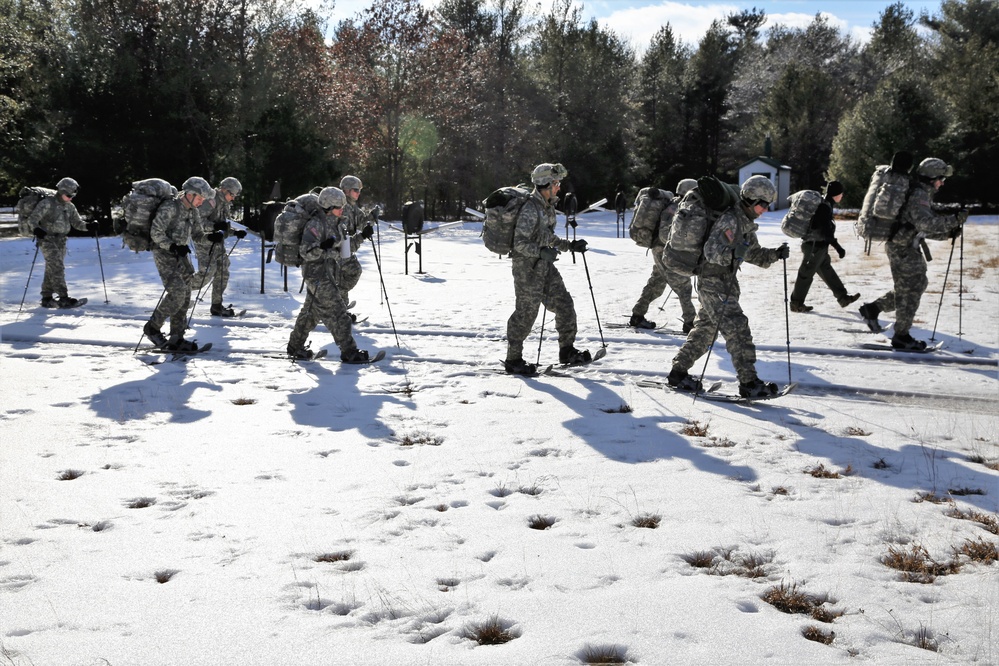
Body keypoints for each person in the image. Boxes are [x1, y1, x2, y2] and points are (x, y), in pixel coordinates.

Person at [666, 175, 790, 398]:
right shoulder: (730, 220)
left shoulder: (745, 222)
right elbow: (712, 252)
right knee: (738, 329)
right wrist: (734, 254)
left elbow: (754, 254)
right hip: (712, 283)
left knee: (705, 331)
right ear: (751, 200)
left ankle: (678, 372)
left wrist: (775, 254)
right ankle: (749, 382)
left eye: (767, 205)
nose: (765, 209)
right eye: (762, 204)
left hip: (724, 283)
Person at [859, 158, 966, 350]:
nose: (942, 183)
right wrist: (954, 220)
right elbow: (926, 224)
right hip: (902, 249)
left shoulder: (920, 192)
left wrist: (948, 232)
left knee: (913, 285)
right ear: (932, 177)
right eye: (941, 179)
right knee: (910, 290)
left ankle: (873, 309)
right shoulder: (918, 195)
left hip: (905, 246)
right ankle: (901, 336)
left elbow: (917, 225)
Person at [504, 163, 590, 375]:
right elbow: (519, 244)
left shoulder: (546, 206)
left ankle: (567, 351)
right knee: (526, 313)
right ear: (545, 184)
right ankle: (513, 359)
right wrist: (541, 253)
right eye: (556, 183)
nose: (558, 187)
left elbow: (546, 236)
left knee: (564, 305)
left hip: (545, 265)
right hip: (527, 268)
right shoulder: (530, 209)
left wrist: (569, 246)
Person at [286, 187, 371, 363]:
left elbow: (345, 251)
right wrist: (322, 248)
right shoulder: (315, 225)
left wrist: (362, 236)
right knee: (339, 312)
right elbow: (306, 252)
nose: (342, 210)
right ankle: (349, 351)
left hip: (329, 272)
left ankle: (295, 346)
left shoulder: (340, 223)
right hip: (315, 274)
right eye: (338, 207)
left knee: (311, 313)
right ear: (328, 207)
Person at [143, 177, 216, 351]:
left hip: (181, 256)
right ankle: (152, 327)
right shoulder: (170, 207)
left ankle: (177, 336)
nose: (201, 202)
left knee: (186, 295)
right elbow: (156, 232)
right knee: (178, 293)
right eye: (199, 198)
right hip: (164, 255)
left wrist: (212, 237)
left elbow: (198, 236)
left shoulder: (193, 211)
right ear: (190, 194)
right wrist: (172, 246)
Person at [631, 178, 698, 332]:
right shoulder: (676, 208)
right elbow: (664, 234)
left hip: (661, 250)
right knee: (683, 285)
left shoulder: (676, 204)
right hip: (665, 252)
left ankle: (637, 315)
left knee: (656, 284)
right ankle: (690, 322)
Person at [788, 181, 860, 313]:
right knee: (805, 274)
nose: (842, 196)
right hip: (814, 246)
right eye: (841, 193)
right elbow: (826, 231)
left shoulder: (826, 204)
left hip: (818, 246)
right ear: (836, 194)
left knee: (826, 270)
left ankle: (843, 298)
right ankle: (796, 304)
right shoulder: (824, 207)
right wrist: (838, 247)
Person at [27, 177, 95, 308]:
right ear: (61, 191)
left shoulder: (69, 206)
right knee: (57, 267)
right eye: (68, 195)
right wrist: (37, 229)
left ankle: (46, 297)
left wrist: (89, 226)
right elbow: (32, 219)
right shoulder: (47, 203)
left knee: (51, 268)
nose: (70, 198)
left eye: (72, 196)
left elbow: (77, 223)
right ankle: (64, 298)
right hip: (47, 240)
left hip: (61, 241)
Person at [193, 177, 247, 317]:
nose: (233, 198)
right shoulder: (210, 201)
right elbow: (197, 222)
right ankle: (179, 292)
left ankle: (216, 305)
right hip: (205, 243)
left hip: (217, 243)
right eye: (232, 195)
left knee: (223, 270)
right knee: (206, 274)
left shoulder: (224, 204)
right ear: (224, 190)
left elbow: (223, 225)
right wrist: (214, 227)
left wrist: (235, 232)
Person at [337, 175, 375, 318]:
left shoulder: (352, 207)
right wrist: (362, 236)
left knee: (348, 274)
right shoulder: (341, 208)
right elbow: (343, 239)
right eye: (355, 190)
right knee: (350, 271)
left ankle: (339, 306)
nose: (358, 193)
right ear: (346, 190)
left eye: (359, 190)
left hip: (345, 250)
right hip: (336, 250)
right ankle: (336, 307)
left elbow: (362, 222)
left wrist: (372, 217)